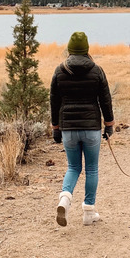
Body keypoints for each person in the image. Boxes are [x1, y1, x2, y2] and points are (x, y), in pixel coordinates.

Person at [50, 31, 114, 227]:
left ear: (70, 49)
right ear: (86, 49)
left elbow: (54, 101)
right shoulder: (97, 70)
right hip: (91, 128)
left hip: (68, 129)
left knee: (73, 167)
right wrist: (109, 125)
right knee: (92, 168)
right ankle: (88, 212)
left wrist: (55, 127)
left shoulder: (60, 71)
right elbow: (105, 99)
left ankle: (65, 199)